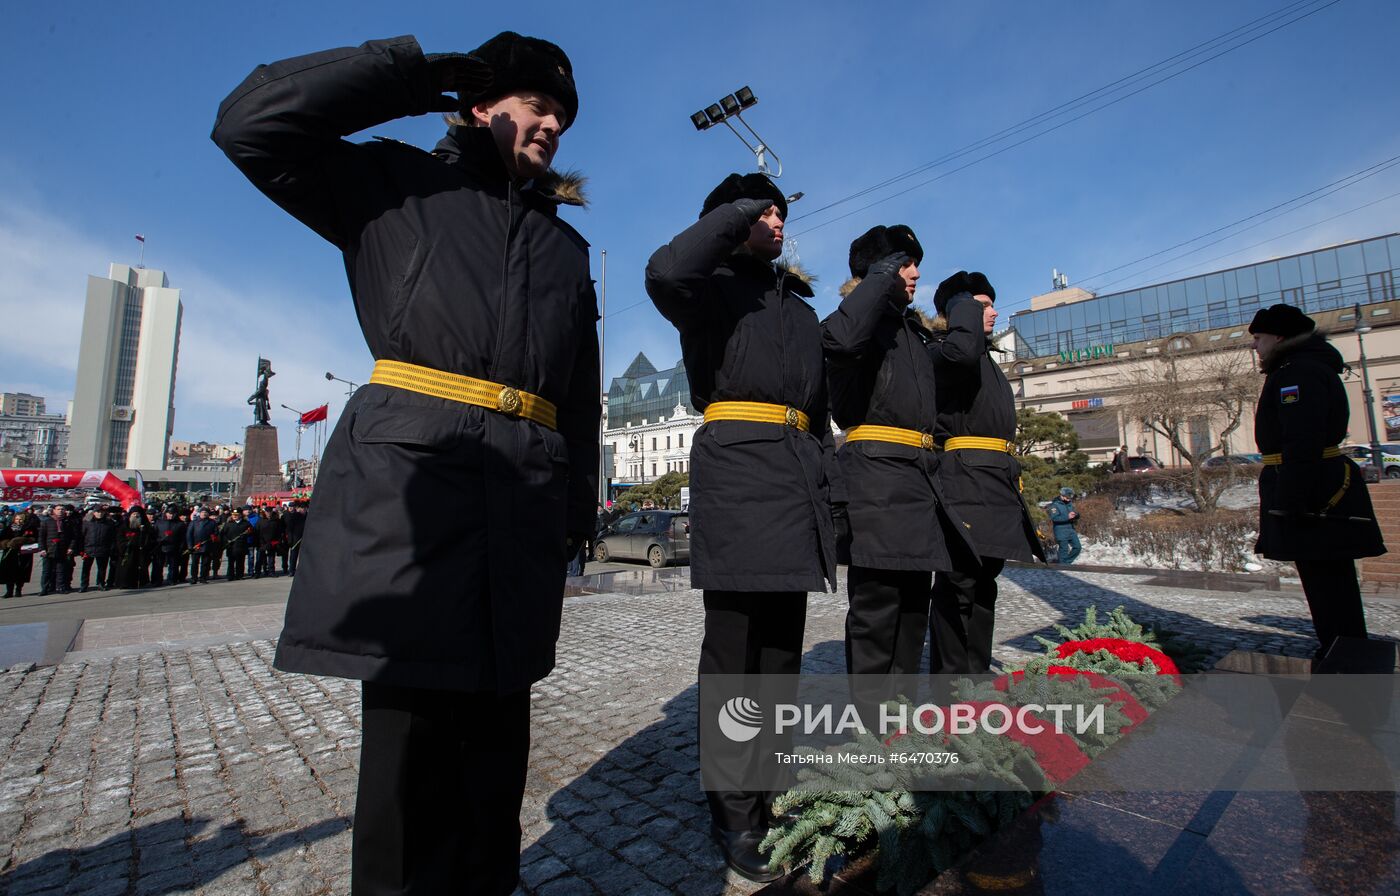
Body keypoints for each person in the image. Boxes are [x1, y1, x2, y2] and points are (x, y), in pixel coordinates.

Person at [215, 31, 598, 895]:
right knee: (408, 765)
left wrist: (573, 515)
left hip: (522, 504)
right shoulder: (391, 184)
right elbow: (248, 126)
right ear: (479, 103)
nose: (552, 128)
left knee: (495, 764)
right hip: (410, 498)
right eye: (536, 106)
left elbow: (579, 397)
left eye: (563, 119)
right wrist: (415, 75)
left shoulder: (568, 251)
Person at [646, 171, 840, 883]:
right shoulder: (707, 284)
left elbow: (817, 410)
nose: (780, 220)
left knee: (781, 654)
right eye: (766, 211)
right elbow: (664, 269)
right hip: (736, 469)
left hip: (793, 476)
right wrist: (733, 214)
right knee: (735, 653)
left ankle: (767, 783)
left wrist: (829, 485)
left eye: (784, 210)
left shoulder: (796, 308)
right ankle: (732, 809)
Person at [821, 225, 963, 689]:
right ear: (879, 269)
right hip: (877, 481)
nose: (916, 273)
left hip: (919, 481)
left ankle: (899, 722)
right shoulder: (857, 321)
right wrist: (877, 284)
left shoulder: (910, 332)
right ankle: (869, 732)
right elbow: (839, 342)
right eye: (904, 263)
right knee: (878, 612)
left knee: (912, 610)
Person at [1249, 303, 1386, 666]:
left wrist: (1292, 501)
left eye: (1259, 338)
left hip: (1312, 491)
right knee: (1329, 580)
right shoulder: (1301, 368)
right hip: (1315, 485)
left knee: (1327, 581)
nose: (1255, 346)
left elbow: (1302, 440)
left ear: (1279, 337)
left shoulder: (1298, 374)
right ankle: (1341, 649)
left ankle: (1345, 656)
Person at [928, 271, 1044, 674]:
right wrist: (963, 319)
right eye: (981, 305)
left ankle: (974, 679)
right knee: (958, 585)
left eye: (992, 304)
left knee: (983, 587)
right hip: (964, 480)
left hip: (996, 480)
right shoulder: (946, 352)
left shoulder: (986, 361)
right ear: (958, 312)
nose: (993, 312)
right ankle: (950, 688)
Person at [1, 511, 39, 598]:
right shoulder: (9, 527)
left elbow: (34, 539)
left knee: (21, 571)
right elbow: (2, 538)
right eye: (17, 519)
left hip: (24, 553)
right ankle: (9, 591)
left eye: (20, 519)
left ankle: (18, 590)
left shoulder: (29, 528)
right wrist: (6, 543)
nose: (18, 521)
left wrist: (20, 540)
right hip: (10, 552)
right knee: (9, 572)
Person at [38, 506, 75, 595]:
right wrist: (42, 549)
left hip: (62, 549)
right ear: (54, 511)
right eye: (58, 509)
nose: (60, 511)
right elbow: (41, 537)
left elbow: (73, 537)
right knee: (47, 571)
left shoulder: (68, 522)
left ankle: (61, 587)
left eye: (62, 509)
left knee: (61, 570)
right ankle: (45, 588)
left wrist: (71, 547)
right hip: (49, 549)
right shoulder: (46, 521)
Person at [79, 506, 117, 592]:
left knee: (102, 569)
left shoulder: (109, 523)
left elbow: (112, 537)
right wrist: (82, 550)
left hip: (103, 549)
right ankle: (84, 585)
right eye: (97, 512)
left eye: (101, 512)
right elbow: (82, 536)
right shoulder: (87, 522)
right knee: (86, 569)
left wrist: (111, 548)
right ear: (94, 513)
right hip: (89, 549)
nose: (99, 513)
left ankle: (101, 583)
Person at [113, 508, 150, 589]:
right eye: (134, 514)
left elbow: (149, 538)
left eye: (138, 515)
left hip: (139, 551)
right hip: (128, 551)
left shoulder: (145, 526)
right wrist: (125, 544)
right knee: (126, 567)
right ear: (130, 515)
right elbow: (119, 538)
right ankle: (125, 583)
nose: (136, 516)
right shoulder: (124, 526)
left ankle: (141, 582)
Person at [1047, 487, 1081, 565]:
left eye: (1070, 497)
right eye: (1067, 497)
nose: (1069, 499)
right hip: (1060, 531)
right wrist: (1067, 517)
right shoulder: (1054, 505)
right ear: (1062, 495)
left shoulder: (1069, 504)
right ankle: (1063, 567)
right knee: (1063, 550)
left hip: (1070, 529)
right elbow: (1055, 518)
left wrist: (1076, 515)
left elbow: (1074, 513)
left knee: (1077, 547)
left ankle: (1066, 563)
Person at [187, 507, 218, 584]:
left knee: (205, 563)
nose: (204, 514)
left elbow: (216, 532)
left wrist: (213, 536)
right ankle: (194, 578)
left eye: (206, 512)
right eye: (202, 512)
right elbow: (189, 534)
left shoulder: (212, 522)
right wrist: (190, 545)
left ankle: (203, 577)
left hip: (207, 545)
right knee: (194, 563)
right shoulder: (194, 522)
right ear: (200, 513)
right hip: (196, 546)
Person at [157, 508, 187, 587]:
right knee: (159, 565)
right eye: (169, 513)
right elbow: (155, 534)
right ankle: (158, 580)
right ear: (166, 513)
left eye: (172, 514)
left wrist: (181, 547)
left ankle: (172, 579)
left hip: (174, 547)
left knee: (173, 565)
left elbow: (183, 537)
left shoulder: (180, 524)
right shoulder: (160, 522)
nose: (170, 515)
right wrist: (159, 541)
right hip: (161, 546)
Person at [220, 508, 251, 581]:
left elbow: (251, 532)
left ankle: (239, 575)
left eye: (236, 515)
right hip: (231, 546)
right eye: (233, 515)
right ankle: (230, 575)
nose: (235, 516)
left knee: (240, 561)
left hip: (241, 546)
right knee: (231, 562)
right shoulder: (228, 524)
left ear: (240, 515)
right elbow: (223, 534)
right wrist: (226, 541)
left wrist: (249, 533)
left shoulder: (245, 523)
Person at [283, 503, 306, 576]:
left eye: (304, 508)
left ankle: (303, 569)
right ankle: (291, 570)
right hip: (295, 538)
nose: (303, 510)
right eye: (301, 508)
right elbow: (290, 529)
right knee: (293, 555)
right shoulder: (295, 516)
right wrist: (290, 539)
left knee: (304, 555)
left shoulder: (308, 516)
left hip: (304, 538)